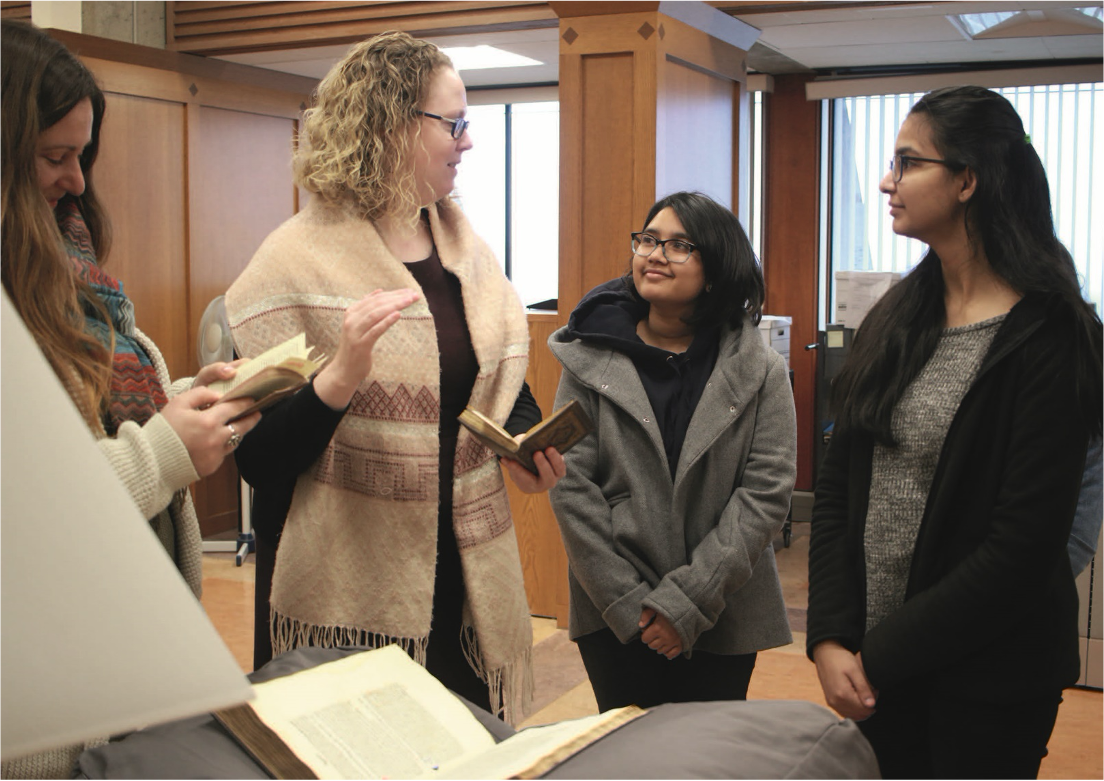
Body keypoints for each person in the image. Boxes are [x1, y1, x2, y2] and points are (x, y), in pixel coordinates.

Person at [225, 31, 565, 722]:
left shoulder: (465, 248)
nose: (468, 140)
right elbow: (260, 458)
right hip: (346, 589)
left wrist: (521, 441)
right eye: (455, 123)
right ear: (388, 125)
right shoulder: (293, 260)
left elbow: (492, 378)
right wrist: (338, 379)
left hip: (458, 579)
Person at [807, 85, 1104, 780]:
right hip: (875, 672)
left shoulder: (1055, 336)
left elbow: (1023, 547)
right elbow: (836, 492)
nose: (887, 180)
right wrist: (827, 635)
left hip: (989, 676)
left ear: (968, 179)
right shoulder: (896, 318)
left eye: (909, 162)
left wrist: (875, 654)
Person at [0, 20, 261, 779]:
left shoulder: (73, 275)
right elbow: (23, 517)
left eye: (83, 154)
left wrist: (186, 400)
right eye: (54, 156)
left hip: (121, 687)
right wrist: (163, 451)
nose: (78, 181)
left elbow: (88, 421)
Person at [546, 191, 797, 711]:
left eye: (680, 245)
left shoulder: (759, 368)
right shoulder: (589, 357)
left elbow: (766, 493)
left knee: (704, 757)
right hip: (617, 610)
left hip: (723, 604)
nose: (655, 254)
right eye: (648, 240)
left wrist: (689, 599)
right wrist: (628, 602)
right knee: (629, 753)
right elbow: (572, 486)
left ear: (717, 269)